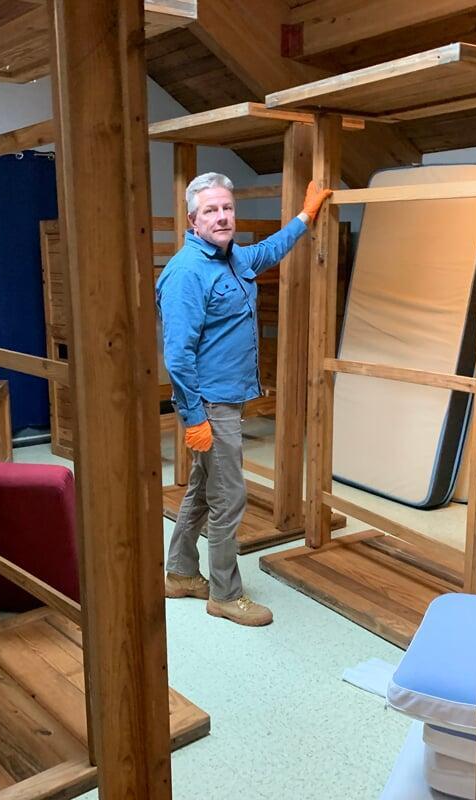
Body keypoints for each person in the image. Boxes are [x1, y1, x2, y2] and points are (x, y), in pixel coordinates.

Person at [156, 172, 332, 627]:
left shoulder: (233, 258)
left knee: (203, 489)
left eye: (227, 208)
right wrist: (195, 417)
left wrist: (305, 216)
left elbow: (269, 250)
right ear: (193, 220)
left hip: (226, 400)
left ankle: (178, 574)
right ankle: (225, 594)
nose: (222, 216)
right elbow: (177, 357)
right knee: (230, 497)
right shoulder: (187, 273)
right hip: (210, 405)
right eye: (211, 210)